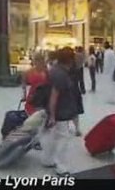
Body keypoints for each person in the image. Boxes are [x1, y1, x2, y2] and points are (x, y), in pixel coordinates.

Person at [41, 47, 78, 176]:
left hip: (53, 110)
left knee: (52, 135)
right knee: (63, 137)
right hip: (59, 111)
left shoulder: (54, 70)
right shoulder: (61, 74)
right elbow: (54, 96)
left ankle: (47, 159)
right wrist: (52, 115)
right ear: (69, 60)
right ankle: (60, 165)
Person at [69, 58, 84, 137]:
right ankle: (77, 128)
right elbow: (80, 80)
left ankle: (68, 127)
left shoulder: (65, 69)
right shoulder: (77, 68)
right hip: (75, 90)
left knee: (66, 109)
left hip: (68, 91)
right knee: (75, 111)